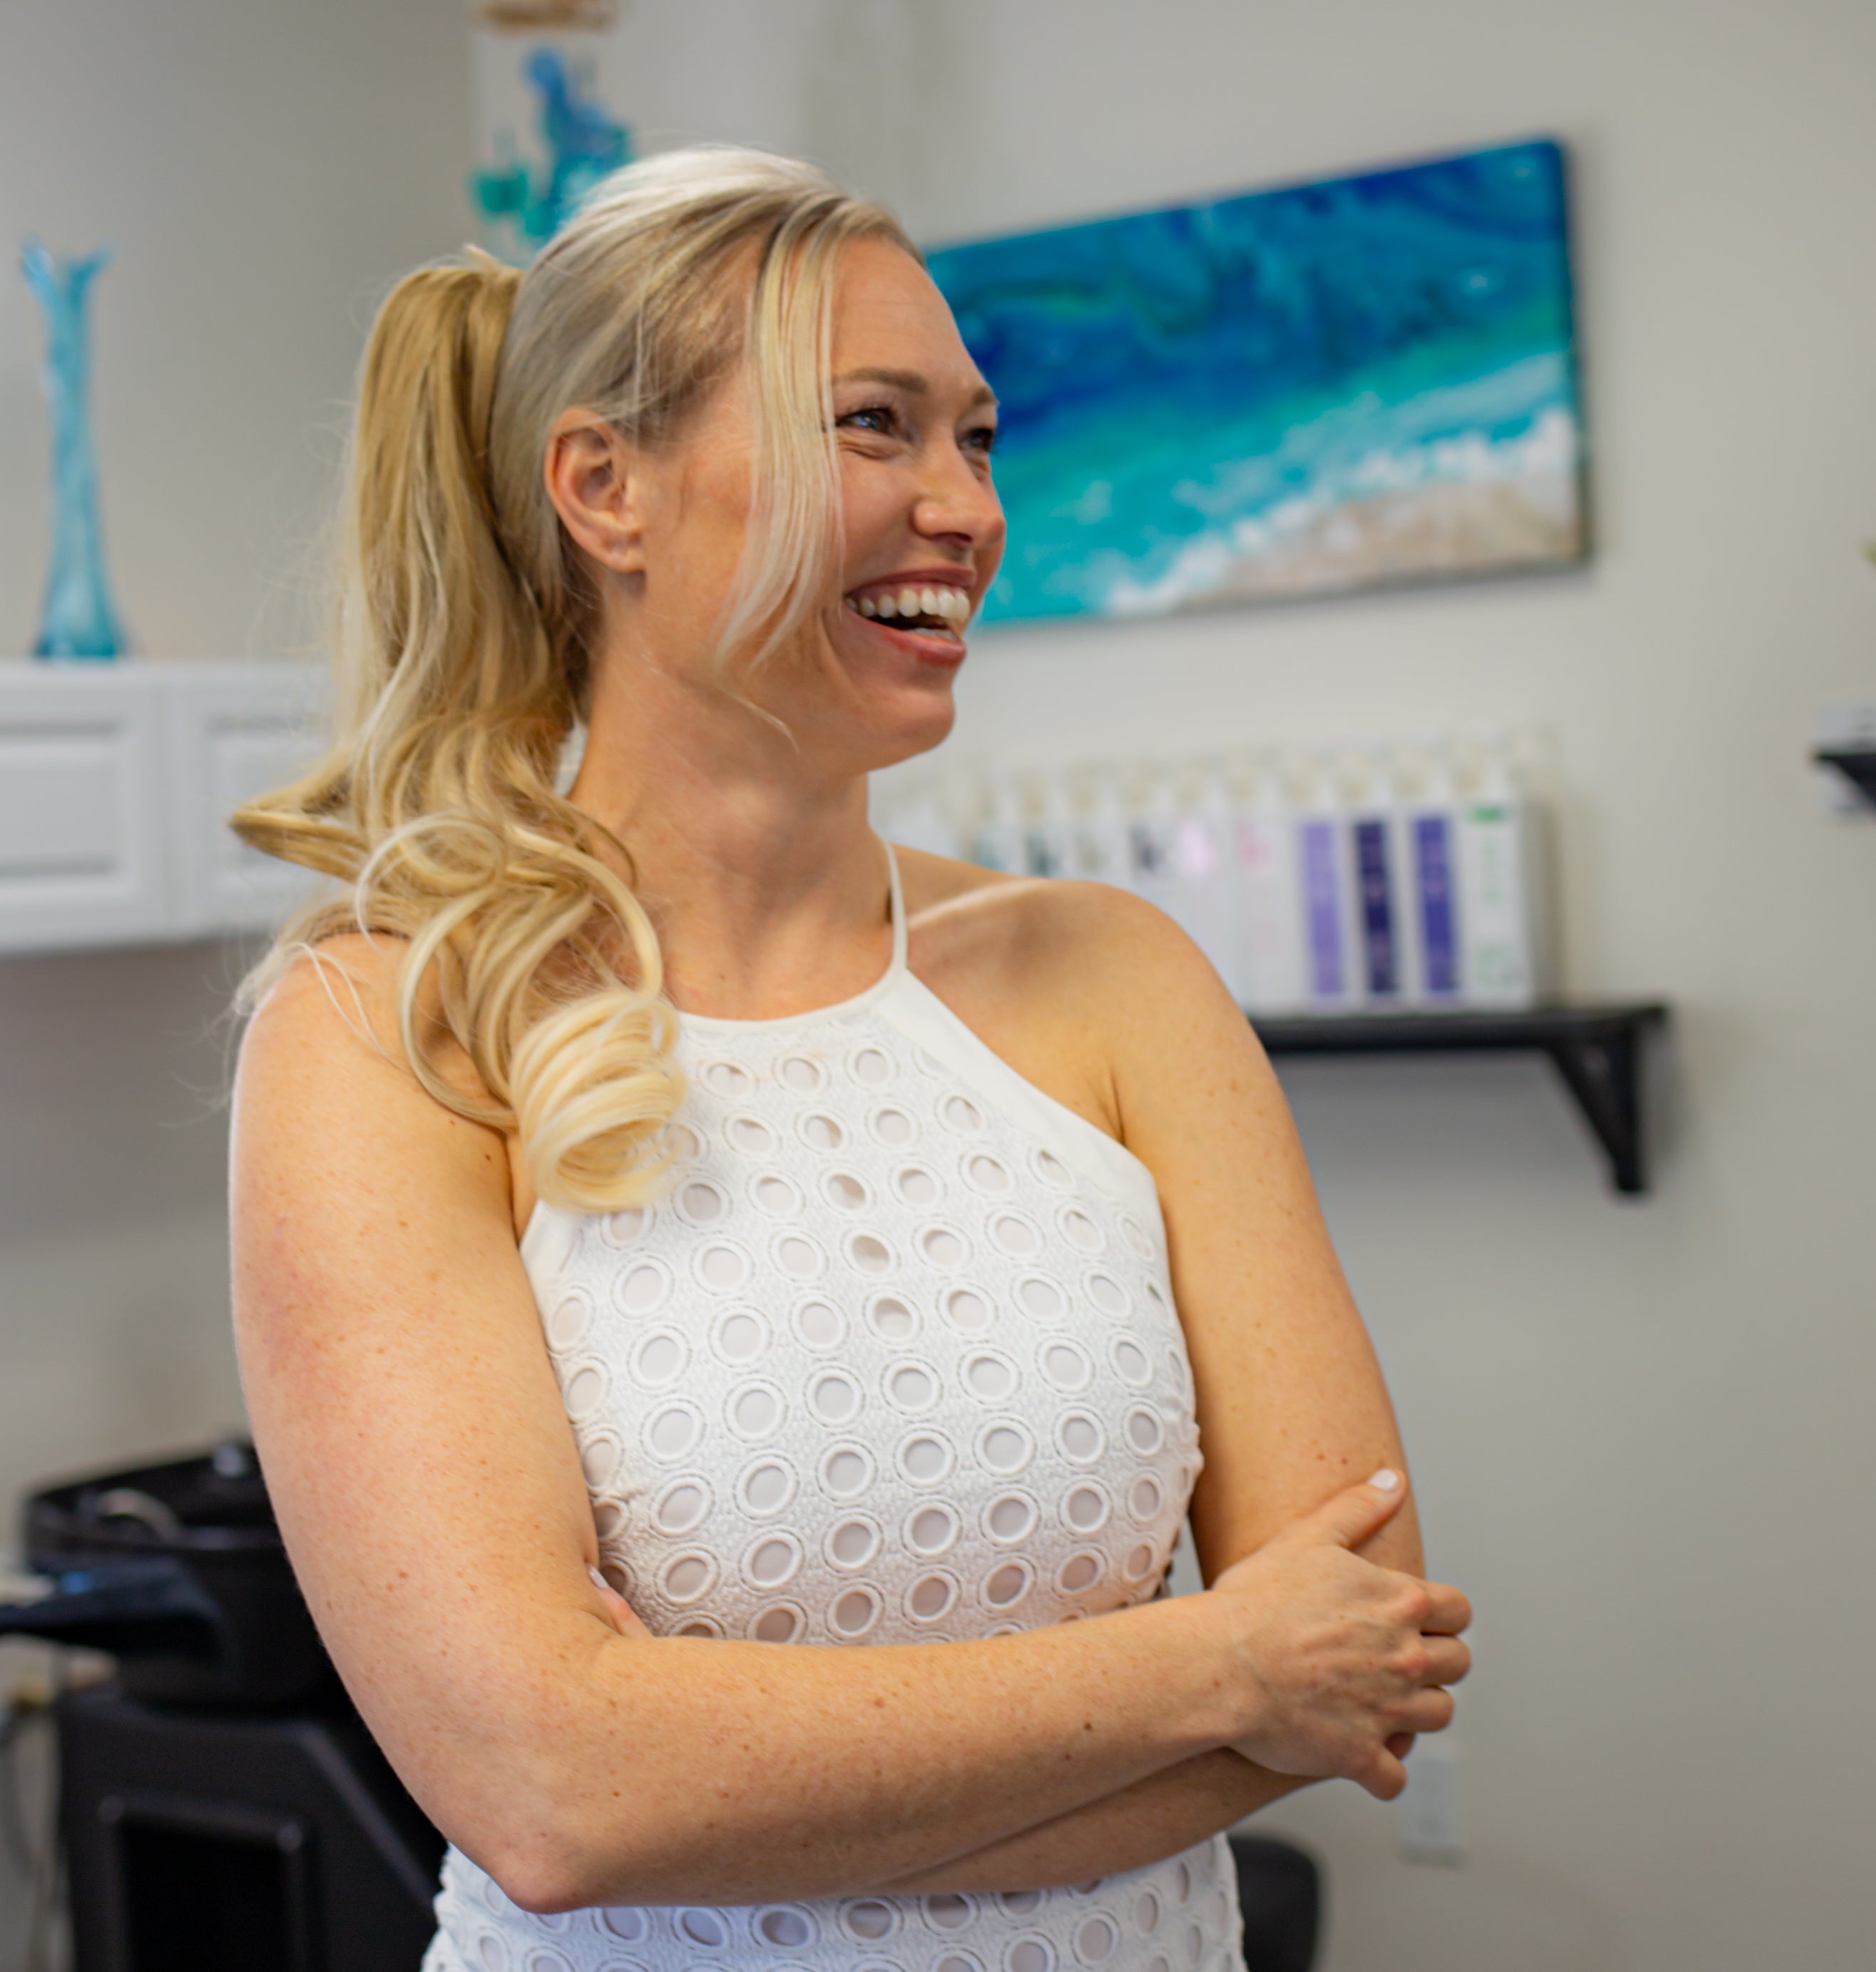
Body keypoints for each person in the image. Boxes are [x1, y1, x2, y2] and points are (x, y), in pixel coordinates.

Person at [227, 147, 1470, 1972]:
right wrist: (1218, 1665)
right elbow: (558, 1794)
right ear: (605, 487)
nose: (962, 504)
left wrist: (736, 1780)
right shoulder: (387, 1031)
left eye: (978, 436)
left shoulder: (1117, 980)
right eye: (874, 426)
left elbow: (1358, 1656)